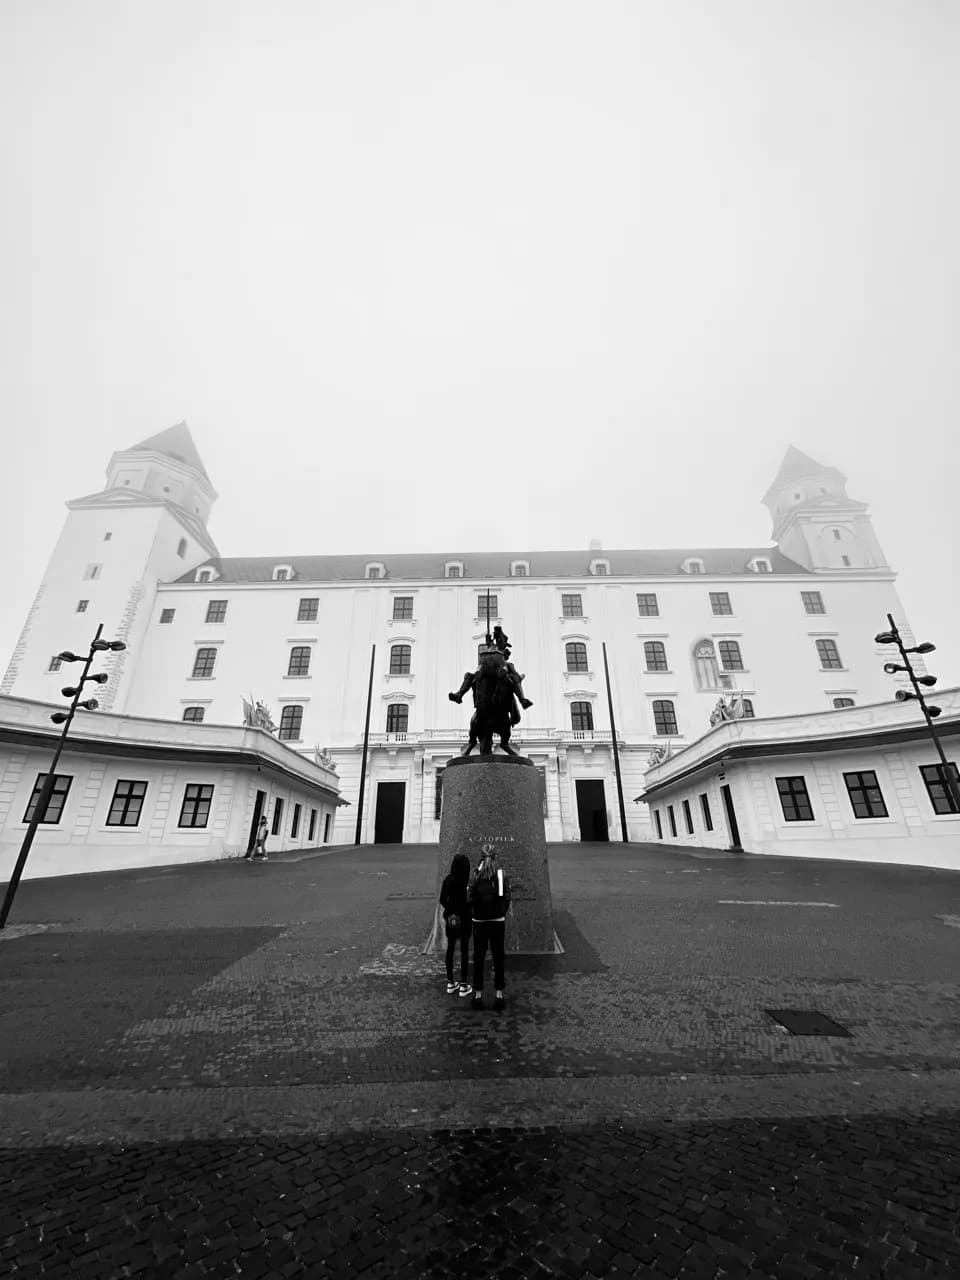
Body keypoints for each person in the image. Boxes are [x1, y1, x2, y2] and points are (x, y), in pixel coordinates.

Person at [468, 848, 511, 1011]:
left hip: (479, 921)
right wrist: (501, 912)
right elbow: (507, 895)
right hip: (497, 921)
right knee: (498, 957)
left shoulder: (475, 874)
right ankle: (499, 995)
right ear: (495, 857)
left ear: (481, 857)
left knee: (478, 957)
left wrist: (475, 912)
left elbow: (469, 896)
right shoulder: (501, 874)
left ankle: (478, 995)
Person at [439, 853, 473, 996]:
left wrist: (450, 909)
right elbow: (470, 901)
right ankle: (464, 985)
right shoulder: (467, 882)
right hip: (465, 918)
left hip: (452, 919)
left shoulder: (448, 880)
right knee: (464, 951)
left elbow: (442, 900)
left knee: (450, 949)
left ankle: (450, 982)